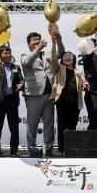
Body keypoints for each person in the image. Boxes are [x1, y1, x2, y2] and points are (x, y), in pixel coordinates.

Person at [20, 26, 63, 156]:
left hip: (48, 95)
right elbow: (26, 63)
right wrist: (38, 49)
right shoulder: (25, 55)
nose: (37, 41)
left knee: (49, 123)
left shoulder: (47, 54)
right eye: (34, 40)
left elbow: (60, 54)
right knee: (32, 123)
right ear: (29, 43)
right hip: (34, 94)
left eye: (39, 39)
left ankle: (48, 148)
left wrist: (57, 41)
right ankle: (32, 148)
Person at [50, 36, 85, 154]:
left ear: (74, 59)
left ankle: (70, 148)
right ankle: (61, 149)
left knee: (72, 127)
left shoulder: (78, 71)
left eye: (70, 56)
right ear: (62, 60)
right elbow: (53, 58)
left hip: (75, 103)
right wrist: (54, 43)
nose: (68, 57)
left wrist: (85, 84)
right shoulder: (59, 69)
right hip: (62, 102)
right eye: (65, 56)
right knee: (61, 126)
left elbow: (83, 81)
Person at [0, 46, 24, 156]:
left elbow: (21, 79)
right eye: (5, 53)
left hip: (12, 100)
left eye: (9, 53)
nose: (8, 55)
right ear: (0, 55)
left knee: (14, 126)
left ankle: (14, 150)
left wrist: (21, 84)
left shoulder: (16, 67)